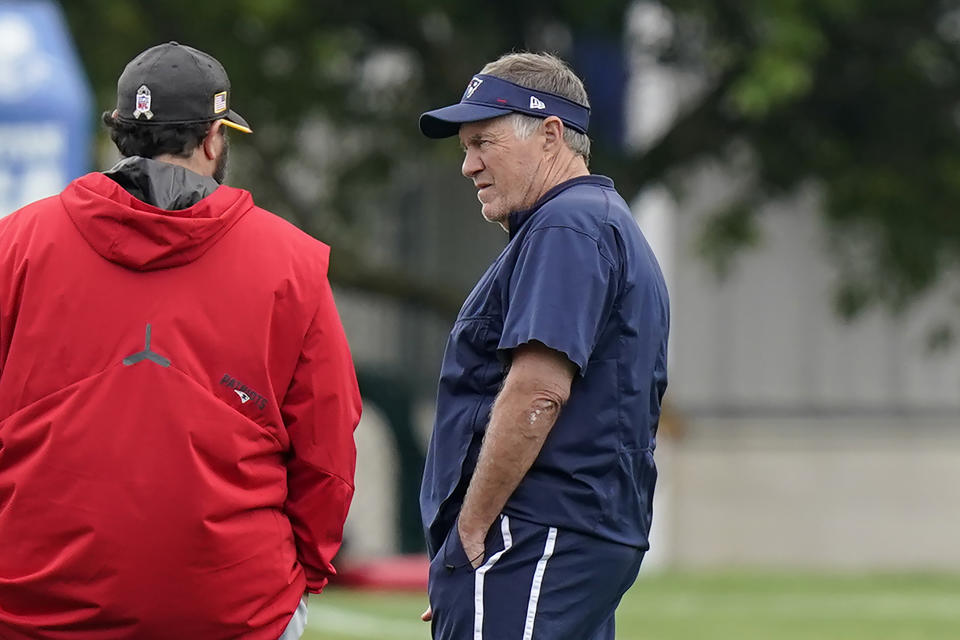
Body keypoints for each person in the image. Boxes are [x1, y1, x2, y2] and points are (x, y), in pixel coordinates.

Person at [0, 42, 361, 639]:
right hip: (234, 605)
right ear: (215, 138)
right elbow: (328, 448)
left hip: (33, 604)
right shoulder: (291, 262)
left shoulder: (15, 245)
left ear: (119, 132)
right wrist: (299, 574)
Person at [417, 52, 670, 639]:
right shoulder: (596, 220)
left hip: (534, 532)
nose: (468, 165)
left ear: (551, 134)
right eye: (464, 147)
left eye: (483, 142)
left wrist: (471, 534)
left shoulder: (567, 225)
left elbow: (538, 390)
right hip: (570, 534)